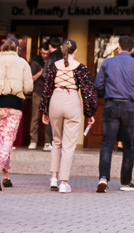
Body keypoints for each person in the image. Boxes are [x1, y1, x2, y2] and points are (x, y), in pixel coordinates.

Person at [40, 38, 97, 194]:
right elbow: (88, 92)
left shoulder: (53, 66)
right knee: (69, 145)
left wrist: (44, 110)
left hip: (55, 101)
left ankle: (53, 178)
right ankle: (63, 182)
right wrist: (89, 113)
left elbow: (47, 89)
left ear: (62, 50)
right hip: (72, 101)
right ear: (76, 51)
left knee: (56, 142)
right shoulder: (81, 68)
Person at [0, 35, 34, 190]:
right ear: (17, 48)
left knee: (4, 141)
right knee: (8, 141)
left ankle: (6, 177)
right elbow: (28, 88)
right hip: (14, 106)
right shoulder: (22, 63)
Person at [94, 34, 134, 193]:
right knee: (129, 145)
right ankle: (125, 182)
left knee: (107, 143)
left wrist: (108, 94)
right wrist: (133, 94)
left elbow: (98, 85)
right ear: (133, 49)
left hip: (111, 104)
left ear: (118, 47)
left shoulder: (107, 63)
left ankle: (103, 178)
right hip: (129, 106)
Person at [27, 38, 54, 150]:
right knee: (35, 118)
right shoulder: (35, 62)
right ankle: (33, 141)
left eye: (47, 53)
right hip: (37, 92)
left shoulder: (53, 61)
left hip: (49, 93)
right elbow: (31, 79)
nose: (45, 56)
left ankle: (47, 142)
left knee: (48, 118)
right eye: (43, 53)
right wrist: (41, 72)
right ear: (40, 52)